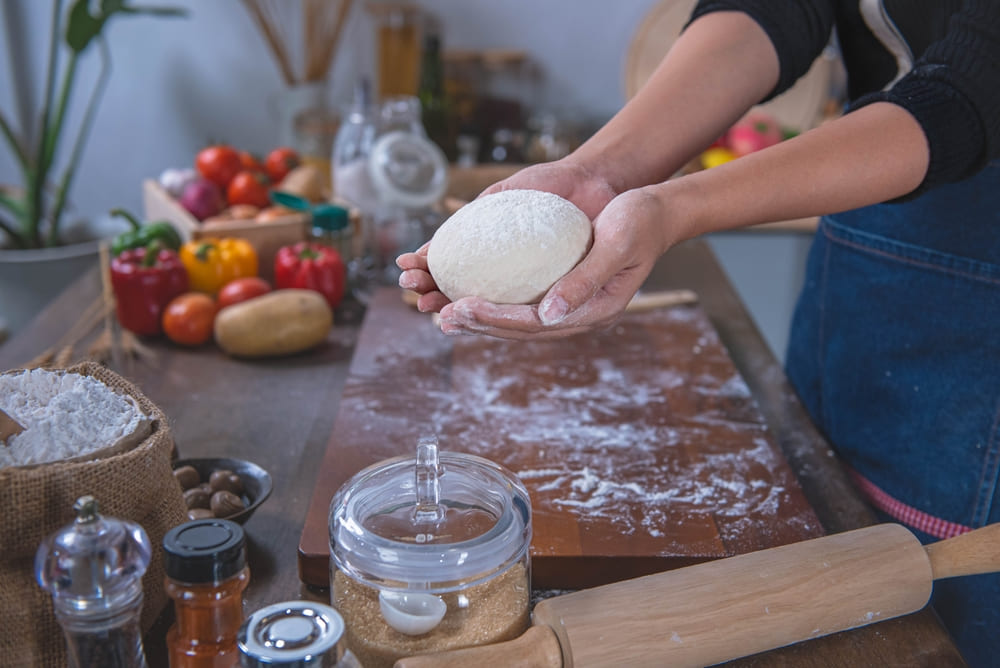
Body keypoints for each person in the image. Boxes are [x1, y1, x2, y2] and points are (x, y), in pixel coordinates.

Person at [397, 2, 1000, 664]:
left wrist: (671, 206)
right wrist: (598, 174)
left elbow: (972, 88)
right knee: (820, 543)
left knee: (935, 617)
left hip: (979, 311)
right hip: (864, 239)